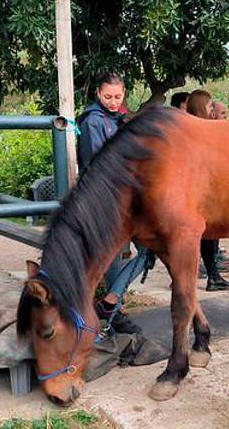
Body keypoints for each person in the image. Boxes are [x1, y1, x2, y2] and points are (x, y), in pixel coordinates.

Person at [77, 72, 145, 334]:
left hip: (123, 197)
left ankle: (111, 303)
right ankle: (113, 311)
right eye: (108, 96)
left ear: (124, 92)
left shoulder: (118, 119)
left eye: (118, 96)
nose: (113, 101)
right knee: (113, 257)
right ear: (98, 93)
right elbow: (98, 163)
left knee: (146, 252)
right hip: (106, 199)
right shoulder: (94, 121)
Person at [186, 90, 229, 292]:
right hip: (206, 189)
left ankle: (212, 275)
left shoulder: (186, 126)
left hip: (195, 189)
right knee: (209, 235)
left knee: (207, 236)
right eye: (210, 106)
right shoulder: (203, 129)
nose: (212, 110)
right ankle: (212, 276)